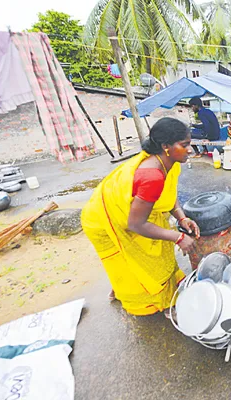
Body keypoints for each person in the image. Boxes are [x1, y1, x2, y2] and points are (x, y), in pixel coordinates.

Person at [81, 118, 200, 316]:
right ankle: (141, 300)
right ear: (166, 147)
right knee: (131, 261)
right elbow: (136, 224)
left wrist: (181, 218)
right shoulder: (152, 176)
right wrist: (178, 238)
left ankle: (131, 288)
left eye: (190, 143)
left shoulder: (170, 162)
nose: (190, 149)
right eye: (185, 145)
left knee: (154, 255)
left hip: (135, 213)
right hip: (105, 218)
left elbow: (168, 196)